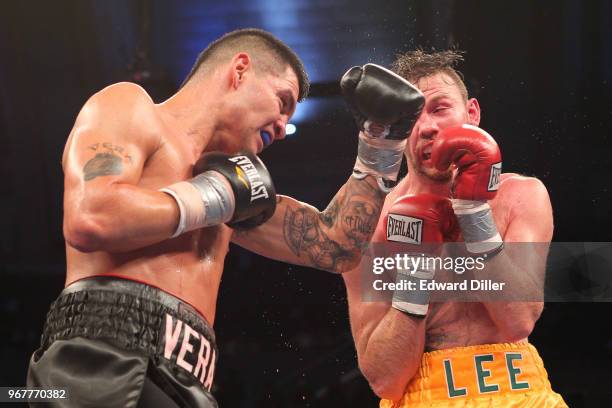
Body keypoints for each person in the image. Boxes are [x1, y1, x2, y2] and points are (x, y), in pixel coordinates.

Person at [27, 28, 425, 407]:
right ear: (239, 70)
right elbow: (91, 216)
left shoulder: (233, 189)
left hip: (189, 380)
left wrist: (380, 147)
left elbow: (335, 247)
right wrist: (211, 197)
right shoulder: (131, 107)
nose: (284, 128)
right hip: (100, 360)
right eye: (282, 101)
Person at [341, 50, 568, 407]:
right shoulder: (369, 227)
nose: (427, 126)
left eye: (440, 108)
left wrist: (472, 209)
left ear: (472, 114)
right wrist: (416, 272)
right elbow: (385, 379)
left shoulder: (521, 197)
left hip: (520, 392)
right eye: (409, 117)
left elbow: (518, 321)